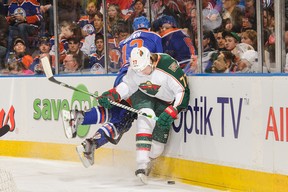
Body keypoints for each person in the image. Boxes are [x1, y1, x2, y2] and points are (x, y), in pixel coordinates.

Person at [60, 16, 163, 172]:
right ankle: (89, 139)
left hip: (122, 78)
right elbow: (160, 61)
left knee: (115, 113)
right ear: (148, 27)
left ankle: (81, 123)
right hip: (137, 79)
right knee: (123, 119)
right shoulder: (154, 36)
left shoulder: (124, 41)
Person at [97, 46, 190, 183]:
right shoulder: (135, 68)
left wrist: (173, 110)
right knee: (146, 116)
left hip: (165, 101)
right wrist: (113, 95)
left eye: (142, 68)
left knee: (157, 149)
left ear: (150, 61)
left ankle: (147, 159)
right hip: (143, 95)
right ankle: (141, 165)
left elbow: (182, 91)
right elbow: (128, 86)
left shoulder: (167, 65)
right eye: (137, 70)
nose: (140, 72)